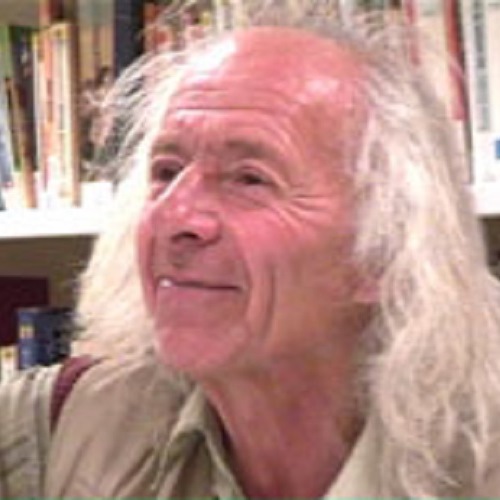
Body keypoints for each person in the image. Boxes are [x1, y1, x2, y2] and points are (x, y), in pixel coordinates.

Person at [2, 2, 500, 498]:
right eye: (166, 171)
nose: (174, 217)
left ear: (384, 249)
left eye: (249, 179)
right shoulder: (70, 423)